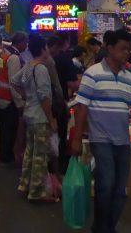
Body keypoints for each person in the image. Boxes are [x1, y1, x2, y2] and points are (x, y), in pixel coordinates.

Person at [70, 30, 131, 233]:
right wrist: (76, 139)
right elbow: (81, 109)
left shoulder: (128, 78)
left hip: (122, 142)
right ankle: (102, 228)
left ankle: (107, 227)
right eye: (122, 49)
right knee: (106, 185)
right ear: (109, 48)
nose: (126, 54)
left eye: (128, 50)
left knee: (120, 191)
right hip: (101, 139)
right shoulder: (93, 74)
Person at [12, 35, 58, 203]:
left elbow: (14, 81)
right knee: (40, 155)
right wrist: (51, 119)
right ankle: (37, 192)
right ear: (43, 49)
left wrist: (26, 96)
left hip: (29, 114)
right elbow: (44, 97)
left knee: (30, 153)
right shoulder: (41, 69)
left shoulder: (29, 66)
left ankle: (25, 185)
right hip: (40, 117)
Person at [47, 35, 79, 170]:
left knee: (48, 136)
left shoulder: (41, 59)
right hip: (59, 103)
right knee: (60, 134)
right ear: (65, 43)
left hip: (44, 103)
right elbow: (72, 83)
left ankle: (49, 165)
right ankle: (59, 166)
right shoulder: (65, 59)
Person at [0, 32, 26, 164]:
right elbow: (14, 82)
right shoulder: (14, 58)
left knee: (3, 128)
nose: (27, 45)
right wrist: (19, 103)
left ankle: (3, 153)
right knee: (9, 128)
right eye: (26, 42)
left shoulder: (4, 53)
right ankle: (6, 156)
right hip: (8, 98)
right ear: (21, 42)